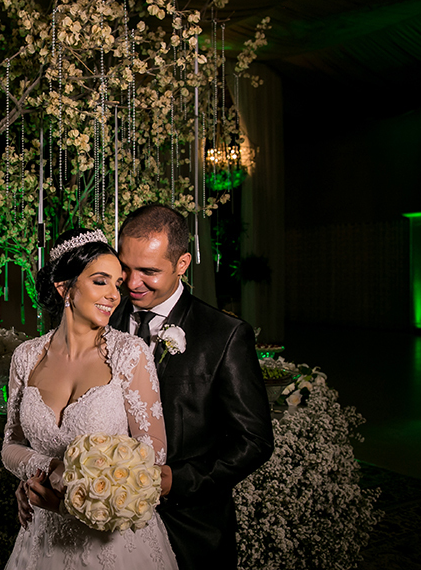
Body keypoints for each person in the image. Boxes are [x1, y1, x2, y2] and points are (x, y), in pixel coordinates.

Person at [1, 228, 179, 569]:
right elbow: (11, 444)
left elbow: (152, 457)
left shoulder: (130, 354)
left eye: (117, 283)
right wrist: (47, 471)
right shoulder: (25, 357)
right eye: (101, 281)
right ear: (65, 287)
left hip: (113, 541)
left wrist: (72, 497)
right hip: (42, 536)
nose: (114, 295)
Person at [110, 203, 274, 569]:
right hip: (107, 525)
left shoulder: (226, 335)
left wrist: (179, 480)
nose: (132, 284)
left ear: (182, 264)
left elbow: (255, 440)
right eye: (126, 268)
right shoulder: (102, 319)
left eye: (149, 271)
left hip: (189, 527)